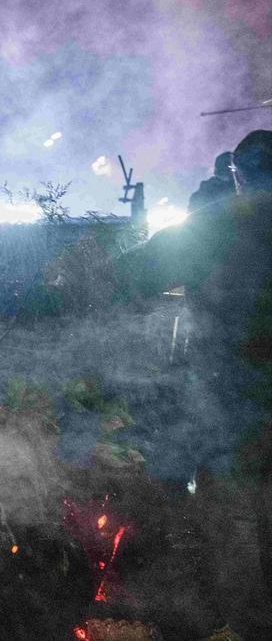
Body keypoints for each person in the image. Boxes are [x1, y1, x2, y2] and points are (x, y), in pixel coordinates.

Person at [116, 130, 272, 636]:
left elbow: (136, 273)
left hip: (232, 407)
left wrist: (65, 282)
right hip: (240, 401)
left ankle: (246, 625)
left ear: (237, 174)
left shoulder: (220, 225)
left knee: (232, 528)